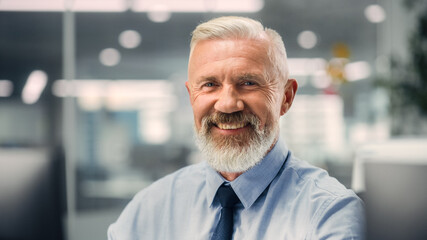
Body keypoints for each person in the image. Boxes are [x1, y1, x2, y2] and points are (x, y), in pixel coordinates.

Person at [108, 16, 365, 240]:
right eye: (209, 84)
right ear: (191, 97)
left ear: (285, 98)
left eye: (249, 82)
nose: (228, 104)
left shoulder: (330, 215)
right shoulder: (148, 212)